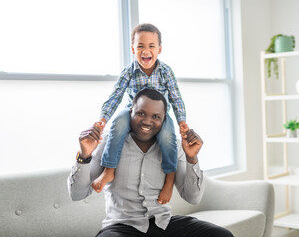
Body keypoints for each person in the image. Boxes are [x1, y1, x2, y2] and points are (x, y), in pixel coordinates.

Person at [68, 89, 234, 237]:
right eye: (141, 113)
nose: (147, 121)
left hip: (163, 224)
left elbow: (193, 197)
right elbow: (77, 194)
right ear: (130, 111)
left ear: (164, 120)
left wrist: (192, 158)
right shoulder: (109, 145)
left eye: (156, 117)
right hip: (122, 227)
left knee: (221, 235)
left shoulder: (174, 147)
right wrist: (84, 155)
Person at [93, 23, 187, 206]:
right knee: (117, 125)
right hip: (133, 112)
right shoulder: (128, 72)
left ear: (159, 49)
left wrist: (182, 121)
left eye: (151, 46)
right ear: (133, 49)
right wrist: (103, 119)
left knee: (168, 136)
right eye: (141, 46)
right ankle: (109, 168)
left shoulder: (166, 72)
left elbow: (176, 98)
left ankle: (169, 179)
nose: (146, 50)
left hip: (160, 115)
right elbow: (116, 95)